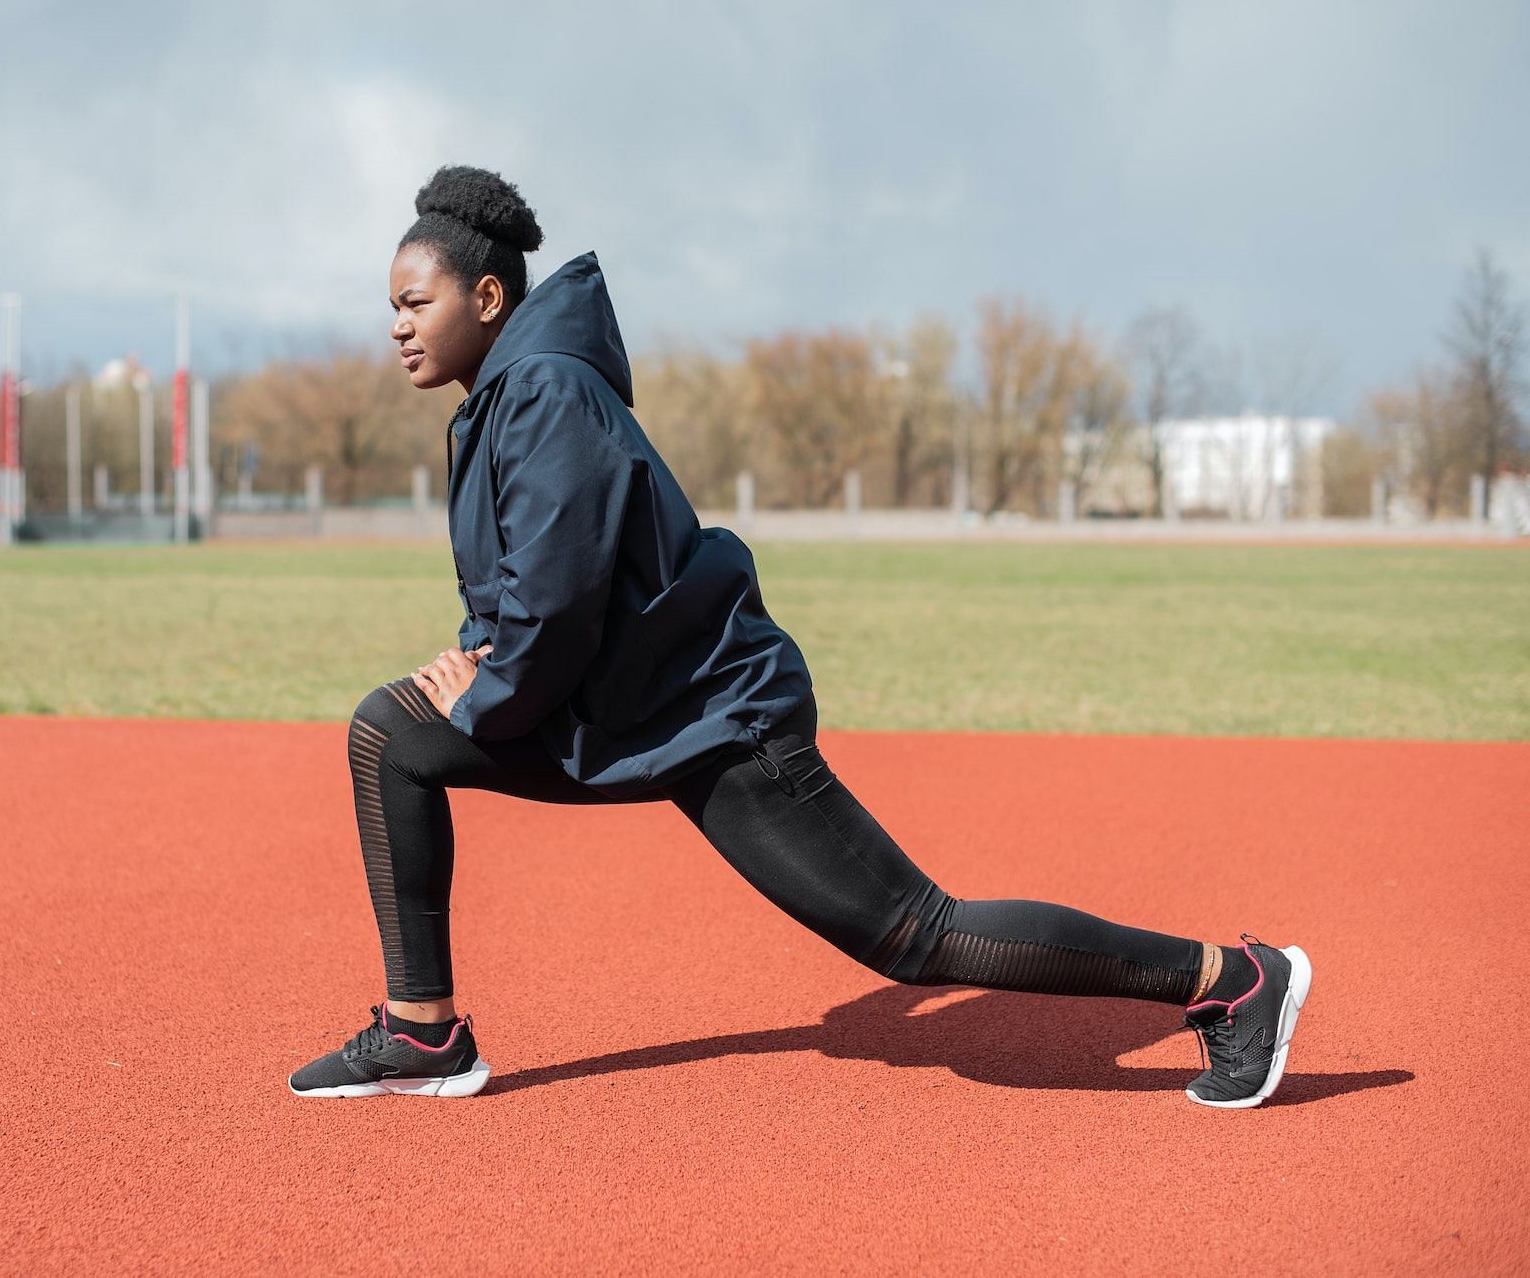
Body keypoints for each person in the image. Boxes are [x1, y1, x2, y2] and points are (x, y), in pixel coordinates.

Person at [286, 165, 1312, 1108]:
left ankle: (1231, 979)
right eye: (393, 309)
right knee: (392, 734)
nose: (398, 328)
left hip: (718, 719)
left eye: (414, 303)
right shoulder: (505, 400)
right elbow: (523, 585)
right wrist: (477, 656)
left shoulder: (548, 392)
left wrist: (484, 685)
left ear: (489, 298)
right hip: (634, 705)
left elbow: (554, 607)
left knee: (917, 934)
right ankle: (423, 1034)